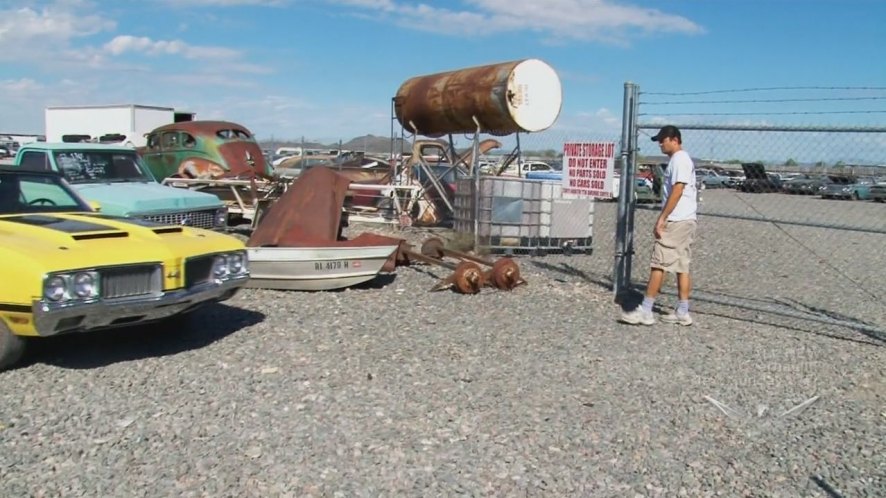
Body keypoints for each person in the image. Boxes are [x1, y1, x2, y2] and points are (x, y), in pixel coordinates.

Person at [620, 125, 697, 326]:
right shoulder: (682, 159)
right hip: (686, 219)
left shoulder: (679, 159)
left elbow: (678, 190)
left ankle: (645, 310)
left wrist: (662, 218)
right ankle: (683, 311)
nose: (660, 144)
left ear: (673, 139)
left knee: (658, 263)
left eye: (662, 140)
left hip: (677, 220)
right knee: (682, 266)